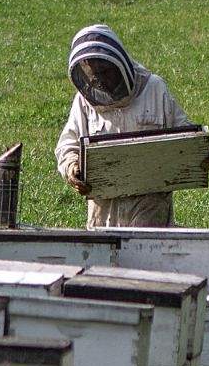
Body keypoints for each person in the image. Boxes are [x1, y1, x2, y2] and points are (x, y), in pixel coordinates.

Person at [55, 25, 196, 228]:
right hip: (103, 214)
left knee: (146, 256)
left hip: (150, 208)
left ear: (119, 64)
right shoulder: (84, 101)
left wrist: (201, 153)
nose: (101, 81)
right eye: (95, 75)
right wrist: (72, 167)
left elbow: (186, 133)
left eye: (105, 72)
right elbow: (68, 144)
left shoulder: (154, 88)